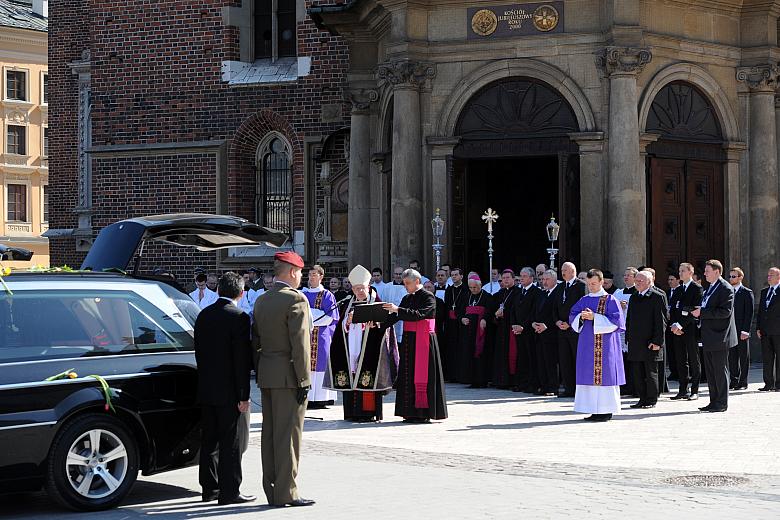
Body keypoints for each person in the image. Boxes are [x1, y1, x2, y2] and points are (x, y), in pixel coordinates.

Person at [252, 251, 315, 508]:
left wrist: (262, 369)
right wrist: (304, 380)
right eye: (299, 272)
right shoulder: (295, 299)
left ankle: (272, 488)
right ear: (291, 272)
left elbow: (255, 341)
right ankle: (287, 492)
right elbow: (300, 345)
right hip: (289, 376)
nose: (301, 277)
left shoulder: (262, 300)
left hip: (267, 373)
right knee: (289, 435)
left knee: (270, 435)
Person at [194, 272, 255, 505]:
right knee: (231, 442)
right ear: (241, 293)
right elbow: (241, 360)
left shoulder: (204, 315)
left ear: (218, 290)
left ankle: (209, 488)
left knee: (209, 441)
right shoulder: (239, 317)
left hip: (206, 386)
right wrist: (244, 395)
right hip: (229, 390)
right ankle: (230, 491)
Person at [325, 265, 399, 422]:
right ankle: (351, 412)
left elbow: (386, 326)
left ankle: (367, 413)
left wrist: (374, 324)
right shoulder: (348, 304)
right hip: (351, 348)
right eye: (356, 288)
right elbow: (341, 328)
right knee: (351, 376)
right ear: (352, 289)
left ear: (368, 287)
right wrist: (347, 322)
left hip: (370, 349)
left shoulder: (377, 302)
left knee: (367, 377)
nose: (359, 291)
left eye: (362, 288)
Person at [383, 269, 447, 422]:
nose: (405, 286)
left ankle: (424, 413)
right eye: (404, 283)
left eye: (407, 283)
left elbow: (419, 314)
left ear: (417, 281)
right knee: (408, 375)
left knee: (423, 375)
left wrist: (397, 309)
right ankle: (409, 412)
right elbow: (396, 316)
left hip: (424, 340)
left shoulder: (428, 296)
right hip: (409, 341)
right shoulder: (407, 298)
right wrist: (378, 323)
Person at [569, 269, 626, 422]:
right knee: (588, 375)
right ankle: (593, 410)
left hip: (605, 346)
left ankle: (606, 410)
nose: (591, 287)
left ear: (601, 282)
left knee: (605, 376)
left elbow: (617, 322)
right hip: (587, 345)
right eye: (589, 284)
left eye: (594, 283)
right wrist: (581, 317)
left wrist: (594, 317)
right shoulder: (584, 299)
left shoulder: (610, 300)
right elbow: (572, 315)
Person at [690, 259, 737, 413]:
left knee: (720, 370)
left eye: (707, 271)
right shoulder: (711, 287)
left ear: (717, 272)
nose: (704, 274)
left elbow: (725, 312)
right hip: (709, 336)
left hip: (720, 336)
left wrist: (702, 312)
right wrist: (699, 310)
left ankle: (721, 403)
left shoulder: (725, 288)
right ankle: (713, 401)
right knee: (710, 372)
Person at [625, 271, 668, 409]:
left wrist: (657, 341)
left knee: (650, 373)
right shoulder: (634, 296)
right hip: (635, 342)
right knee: (637, 372)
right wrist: (628, 336)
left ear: (649, 282)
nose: (637, 283)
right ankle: (642, 398)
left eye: (640, 281)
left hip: (650, 342)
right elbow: (629, 318)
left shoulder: (657, 296)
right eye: (636, 280)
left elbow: (661, 321)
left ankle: (651, 399)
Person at [302, 265, 339, 409]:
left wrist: (310, 316)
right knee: (306, 364)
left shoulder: (327, 295)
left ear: (321, 277)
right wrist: (316, 314)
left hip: (322, 336)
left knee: (322, 364)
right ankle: (309, 397)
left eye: (314, 274)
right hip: (306, 335)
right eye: (310, 274)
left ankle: (322, 398)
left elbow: (329, 317)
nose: (311, 277)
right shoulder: (303, 294)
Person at [669, 263, 703, 401]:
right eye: (679, 271)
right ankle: (682, 390)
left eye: (683, 271)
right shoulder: (678, 289)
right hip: (678, 331)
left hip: (691, 329)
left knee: (694, 359)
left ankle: (695, 390)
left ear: (690, 272)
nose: (680, 273)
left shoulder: (696, 288)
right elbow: (673, 309)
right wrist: (674, 325)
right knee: (681, 360)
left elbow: (694, 310)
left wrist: (679, 325)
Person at [554, 262, 586, 398]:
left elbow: (583, 307)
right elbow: (555, 306)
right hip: (561, 329)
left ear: (573, 271)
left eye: (565, 270)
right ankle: (569, 388)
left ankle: (579, 389)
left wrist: (570, 323)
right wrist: (557, 321)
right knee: (564, 360)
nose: (562, 273)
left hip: (575, 330)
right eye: (562, 270)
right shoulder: (560, 286)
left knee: (576, 359)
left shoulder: (581, 286)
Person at [511, 267, 542, 393]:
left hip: (529, 331)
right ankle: (521, 383)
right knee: (521, 358)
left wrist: (523, 326)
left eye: (524, 276)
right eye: (520, 276)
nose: (521, 278)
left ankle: (532, 384)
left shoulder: (536, 292)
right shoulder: (518, 291)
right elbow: (513, 309)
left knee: (531, 358)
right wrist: (514, 325)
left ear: (531, 278)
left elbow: (533, 312)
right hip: (518, 331)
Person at [458, 274, 491, 387]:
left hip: (480, 331)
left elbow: (489, 310)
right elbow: (460, 311)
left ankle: (482, 380)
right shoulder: (466, 296)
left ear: (480, 285)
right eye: (471, 288)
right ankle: (472, 380)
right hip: (468, 331)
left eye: (475, 287)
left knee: (480, 353)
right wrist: (462, 319)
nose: (473, 290)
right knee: (469, 353)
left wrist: (485, 319)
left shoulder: (487, 296)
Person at [532, 270, 561, 396]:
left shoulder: (558, 293)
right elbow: (535, 311)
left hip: (552, 334)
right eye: (543, 279)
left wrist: (547, 325)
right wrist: (533, 323)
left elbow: (556, 313)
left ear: (554, 280)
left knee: (551, 362)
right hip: (539, 333)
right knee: (541, 361)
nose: (544, 282)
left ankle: (553, 387)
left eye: (547, 279)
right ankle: (544, 386)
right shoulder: (542, 294)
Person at [492, 269, 522, 389]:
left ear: (513, 279)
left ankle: (513, 381)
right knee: (501, 355)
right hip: (501, 328)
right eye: (503, 278)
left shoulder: (518, 292)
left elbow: (517, 310)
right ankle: (501, 381)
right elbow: (494, 310)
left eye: (508, 278)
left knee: (512, 354)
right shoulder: (500, 293)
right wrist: (496, 315)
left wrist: (505, 314)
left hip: (511, 327)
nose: (505, 280)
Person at [728, 267, 754, 390]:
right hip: (730, 330)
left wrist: (745, 331)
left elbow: (749, 313)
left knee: (743, 357)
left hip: (741, 330)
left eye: (733, 276)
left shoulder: (746, 292)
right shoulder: (728, 291)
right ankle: (734, 381)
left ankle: (743, 382)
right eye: (730, 276)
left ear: (740, 277)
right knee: (732, 357)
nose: (731, 279)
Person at [613, 267, 638, 396]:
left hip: (633, 329)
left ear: (635, 278)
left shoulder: (638, 293)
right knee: (621, 359)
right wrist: (618, 305)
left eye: (629, 275)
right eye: (625, 275)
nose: (626, 277)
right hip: (620, 330)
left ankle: (634, 386)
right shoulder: (618, 293)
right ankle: (623, 386)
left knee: (633, 359)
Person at [756, 266, 780, 391]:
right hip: (765, 331)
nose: (769, 277)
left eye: (771, 275)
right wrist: (758, 327)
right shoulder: (764, 292)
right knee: (767, 358)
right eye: (768, 275)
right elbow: (760, 311)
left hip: (778, 330)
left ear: (778, 277)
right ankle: (768, 383)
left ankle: (779, 384)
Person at [443, 268, 468, 382]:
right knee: (450, 348)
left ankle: (460, 375)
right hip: (450, 324)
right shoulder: (449, 290)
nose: (453, 277)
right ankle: (451, 375)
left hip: (461, 323)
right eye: (452, 275)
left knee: (460, 347)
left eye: (456, 275)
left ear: (461, 276)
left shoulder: (466, 289)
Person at [666, 272, 682, 381]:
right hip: (668, 324)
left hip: (678, 324)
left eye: (672, 279)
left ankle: (680, 372)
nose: (670, 282)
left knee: (679, 350)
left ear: (678, 280)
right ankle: (673, 372)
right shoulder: (666, 293)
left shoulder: (681, 291)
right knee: (670, 349)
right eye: (669, 280)